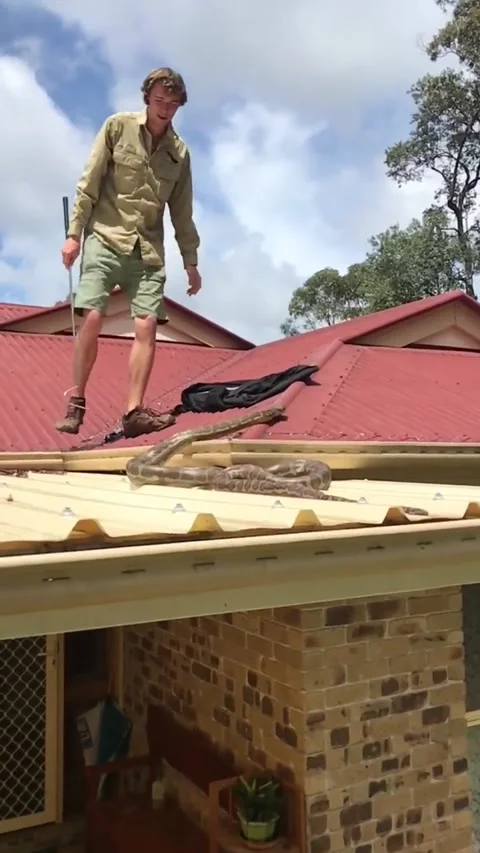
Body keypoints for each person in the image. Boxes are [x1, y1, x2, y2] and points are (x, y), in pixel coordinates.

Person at [56, 67, 202, 437]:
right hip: (105, 237)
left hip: (147, 251)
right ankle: (76, 400)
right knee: (92, 315)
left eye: (172, 104)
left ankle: (134, 411)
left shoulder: (179, 154)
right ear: (147, 99)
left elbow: (182, 212)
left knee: (147, 324)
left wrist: (191, 262)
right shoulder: (117, 128)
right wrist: (74, 234)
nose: (165, 109)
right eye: (159, 101)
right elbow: (88, 184)